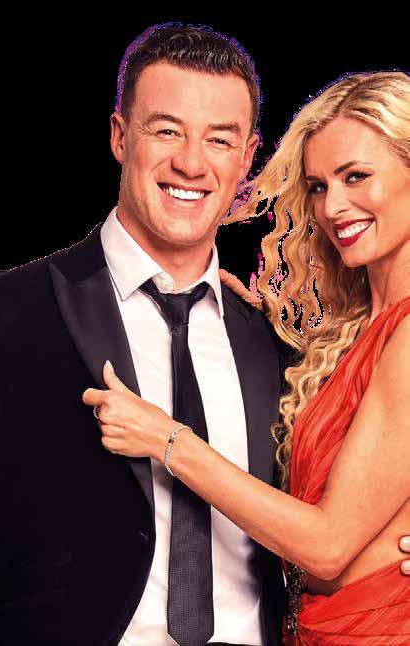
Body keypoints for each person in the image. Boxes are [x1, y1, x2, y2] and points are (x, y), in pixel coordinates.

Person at [0, 25, 409, 645]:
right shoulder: (4, 315)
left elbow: (334, 514)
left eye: (219, 139)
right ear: (119, 135)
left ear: (247, 158)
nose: (191, 163)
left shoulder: (275, 343)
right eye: (167, 131)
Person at [83, 70, 410, 644]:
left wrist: (168, 439)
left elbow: (327, 546)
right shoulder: (347, 336)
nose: (334, 206)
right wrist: (249, 318)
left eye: (356, 176)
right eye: (317, 186)